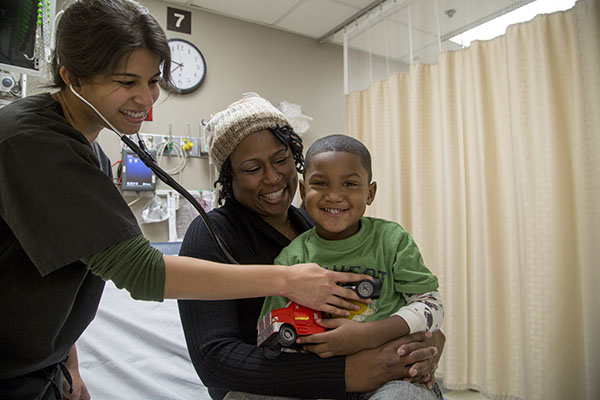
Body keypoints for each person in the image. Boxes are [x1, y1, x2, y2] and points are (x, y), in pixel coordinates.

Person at [0, 1, 371, 399]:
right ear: (71, 77)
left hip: (43, 369)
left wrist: (67, 364)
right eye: (127, 82)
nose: (146, 99)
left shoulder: (88, 152)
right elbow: (140, 272)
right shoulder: (31, 142)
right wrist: (289, 282)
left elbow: (63, 266)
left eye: (153, 80)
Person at [178, 95, 445, 400]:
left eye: (281, 160)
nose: (273, 177)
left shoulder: (323, 223)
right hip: (269, 384)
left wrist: (428, 342)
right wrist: (349, 372)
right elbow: (214, 360)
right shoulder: (212, 234)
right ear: (229, 176)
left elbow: (419, 304)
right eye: (252, 168)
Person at [258, 134, 445, 399]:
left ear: (370, 193)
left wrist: (368, 335)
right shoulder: (292, 259)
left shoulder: (391, 241)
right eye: (320, 183)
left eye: (349, 184)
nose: (334, 196)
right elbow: (273, 331)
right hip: (324, 381)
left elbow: (432, 306)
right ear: (302, 191)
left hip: (396, 380)